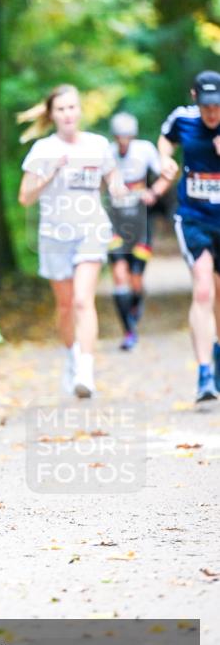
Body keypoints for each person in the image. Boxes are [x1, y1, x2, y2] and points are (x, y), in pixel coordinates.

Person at [18, 84, 125, 397]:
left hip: (91, 229)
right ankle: (71, 357)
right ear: (52, 115)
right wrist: (49, 174)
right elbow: (25, 197)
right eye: (61, 109)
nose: (67, 114)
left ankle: (86, 372)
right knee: (65, 307)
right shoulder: (42, 150)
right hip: (54, 236)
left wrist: (120, 188)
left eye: (72, 107)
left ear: (80, 111)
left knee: (82, 300)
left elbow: (113, 179)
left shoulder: (98, 145)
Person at [158, 70, 220, 402]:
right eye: (207, 106)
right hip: (193, 218)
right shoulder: (182, 119)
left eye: (218, 106)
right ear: (195, 98)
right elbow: (165, 139)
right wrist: (164, 160)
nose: (213, 113)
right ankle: (205, 374)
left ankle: (218, 354)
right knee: (203, 288)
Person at [107, 112, 165, 350]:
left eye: (127, 137)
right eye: (120, 137)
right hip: (115, 221)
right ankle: (129, 331)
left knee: (136, 279)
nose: (123, 142)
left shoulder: (145, 150)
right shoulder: (107, 153)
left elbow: (166, 173)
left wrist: (155, 192)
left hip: (141, 221)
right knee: (119, 275)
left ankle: (136, 300)